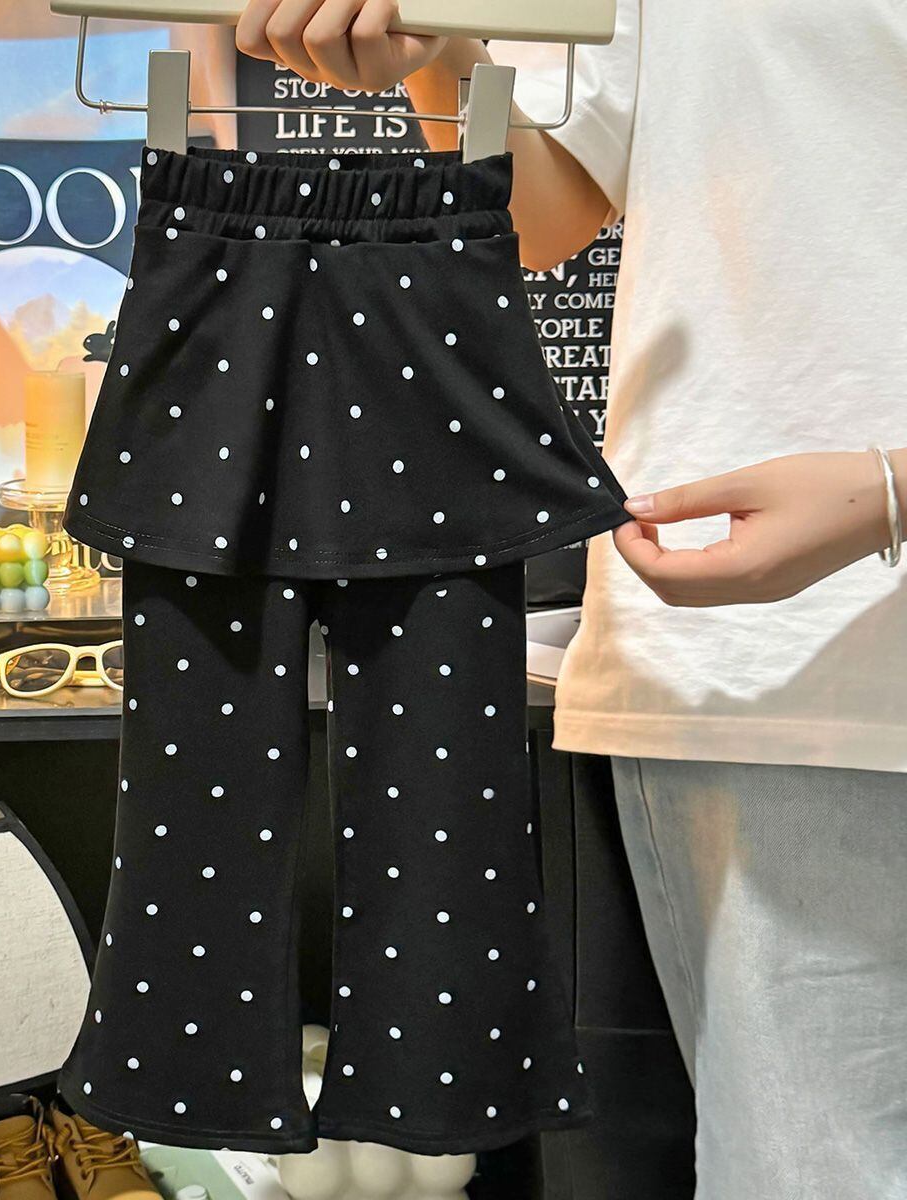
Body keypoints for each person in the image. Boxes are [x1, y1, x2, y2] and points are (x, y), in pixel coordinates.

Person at [234, 2, 907, 1196]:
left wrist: (893, 488)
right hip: (754, 653)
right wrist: (441, 56)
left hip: (763, 627)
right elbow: (544, 212)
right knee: (812, 1170)